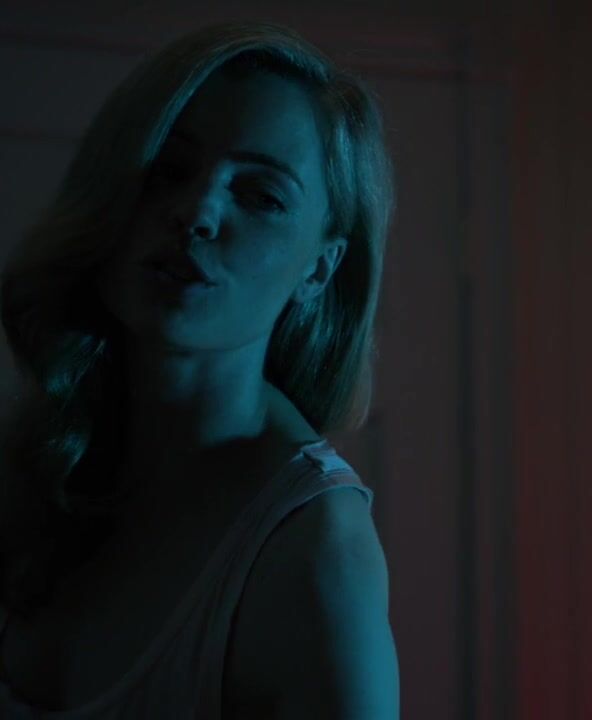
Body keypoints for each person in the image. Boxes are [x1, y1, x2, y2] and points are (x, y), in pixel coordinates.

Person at [0, 21, 398, 717]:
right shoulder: (39, 467)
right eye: (170, 168)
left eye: (261, 195)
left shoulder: (312, 545)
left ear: (319, 268)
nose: (198, 212)